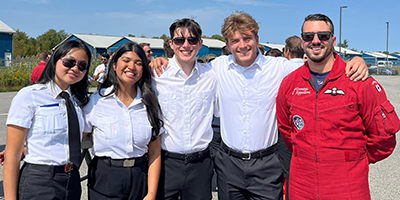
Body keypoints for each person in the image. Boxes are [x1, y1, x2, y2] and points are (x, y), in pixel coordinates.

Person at [151, 11, 369, 200]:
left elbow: (317, 60)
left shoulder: (279, 67)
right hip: (229, 165)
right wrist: (162, 61)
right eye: (235, 41)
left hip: (266, 165)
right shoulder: (216, 68)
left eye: (247, 38)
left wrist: (355, 60)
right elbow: (186, 64)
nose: (242, 45)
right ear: (227, 45)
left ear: (257, 38)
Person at [276, 13, 400, 200]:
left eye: (323, 36)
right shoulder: (290, 84)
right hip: (302, 184)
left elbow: (383, 138)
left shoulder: (359, 81)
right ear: (302, 42)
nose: (315, 41)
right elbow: (286, 130)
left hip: (347, 185)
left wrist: (353, 160)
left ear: (333, 40)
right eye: (309, 36)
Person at [4, 40, 91, 200]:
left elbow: (79, 135)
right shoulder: (30, 96)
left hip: (72, 180)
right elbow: (12, 155)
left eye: (82, 65)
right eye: (69, 62)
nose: (75, 69)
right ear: (55, 60)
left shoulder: (80, 102)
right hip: (40, 181)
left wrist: (30, 148)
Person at [83, 42, 163, 200]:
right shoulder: (96, 102)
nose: (131, 67)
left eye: (138, 63)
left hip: (140, 176)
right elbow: (80, 136)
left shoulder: (151, 103)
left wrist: (151, 194)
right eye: (126, 61)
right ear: (114, 65)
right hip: (105, 177)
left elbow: (155, 153)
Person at [153, 18, 217, 200]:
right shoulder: (156, 76)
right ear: (171, 44)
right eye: (180, 40)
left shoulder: (211, 75)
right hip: (166, 163)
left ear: (200, 44)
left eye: (192, 40)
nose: (186, 45)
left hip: (201, 163)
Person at [278, 35, 305, 200]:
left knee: (287, 172)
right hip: (305, 130)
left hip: (284, 130)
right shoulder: (313, 67)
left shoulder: (280, 68)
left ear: (287, 51)